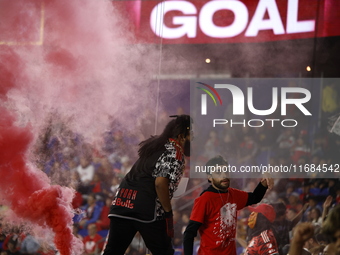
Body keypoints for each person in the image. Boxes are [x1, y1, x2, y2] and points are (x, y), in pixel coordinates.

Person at [102, 115, 193, 255]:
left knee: (113, 252)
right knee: (164, 252)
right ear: (181, 137)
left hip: (122, 202)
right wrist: (168, 212)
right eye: (191, 135)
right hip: (146, 209)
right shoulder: (175, 152)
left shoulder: (156, 145)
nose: (194, 140)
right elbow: (160, 183)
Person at [183, 155, 273, 255]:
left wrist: (264, 181)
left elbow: (255, 197)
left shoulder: (233, 194)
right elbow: (189, 233)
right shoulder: (204, 199)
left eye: (226, 171)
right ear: (210, 177)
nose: (224, 175)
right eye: (218, 172)